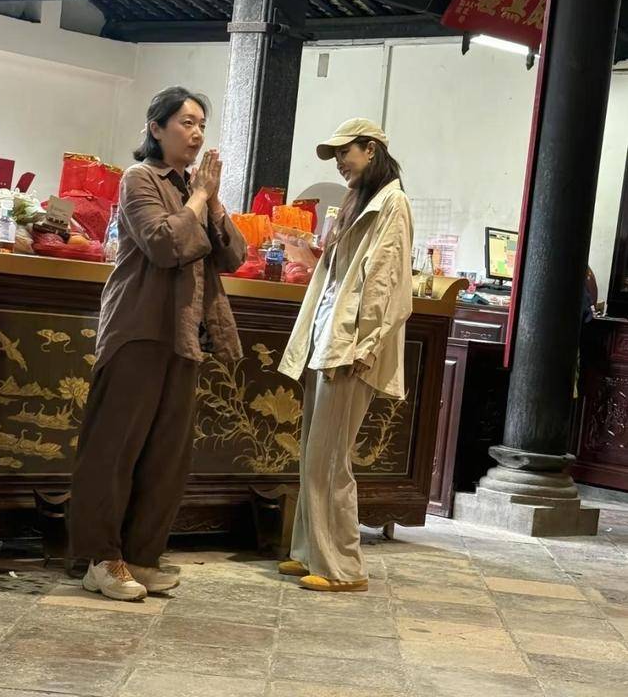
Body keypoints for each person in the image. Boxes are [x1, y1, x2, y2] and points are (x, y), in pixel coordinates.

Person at [70, 86, 246, 601]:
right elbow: (164, 244)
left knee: (166, 455)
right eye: (186, 123)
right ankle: (100, 560)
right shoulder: (139, 179)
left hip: (184, 334)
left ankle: (141, 558)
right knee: (115, 449)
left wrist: (210, 198)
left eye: (202, 126)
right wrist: (198, 198)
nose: (196, 134)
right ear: (156, 128)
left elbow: (234, 255)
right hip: (138, 327)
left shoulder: (196, 188)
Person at [278, 118, 413, 592]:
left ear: (371, 149)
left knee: (331, 458)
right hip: (329, 337)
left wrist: (366, 345)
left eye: (345, 152)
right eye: (335, 155)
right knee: (314, 452)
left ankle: (343, 567)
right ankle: (310, 552)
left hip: (350, 346)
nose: (339, 162)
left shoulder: (392, 203)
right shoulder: (359, 201)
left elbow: (387, 280)